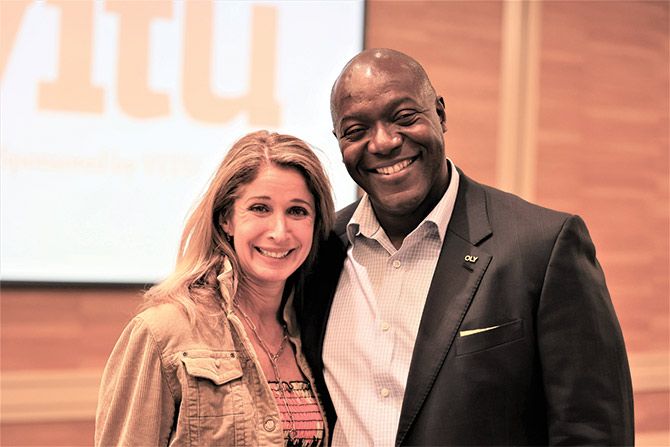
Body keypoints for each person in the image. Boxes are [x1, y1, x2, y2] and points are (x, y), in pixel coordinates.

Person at [298, 48, 634, 446]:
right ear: (339, 141)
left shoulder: (543, 247)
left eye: (404, 117)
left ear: (440, 114)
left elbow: (592, 432)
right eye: (356, 130)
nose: (383, 142)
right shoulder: (318, 252)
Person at [95, 130, 335, 446]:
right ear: (226, 219)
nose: (279, 231)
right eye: (260, 208)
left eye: (297, 211)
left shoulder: (315, 332)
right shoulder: (162, 332)